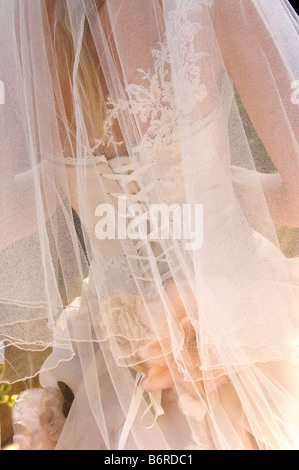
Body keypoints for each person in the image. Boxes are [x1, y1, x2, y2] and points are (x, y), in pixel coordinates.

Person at [1, 0, 299, 450]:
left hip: (117, 361)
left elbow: (4, 214)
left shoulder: (16, 24)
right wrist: (222, 183)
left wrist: (66, 176)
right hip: (235, 325)